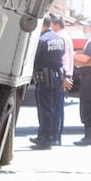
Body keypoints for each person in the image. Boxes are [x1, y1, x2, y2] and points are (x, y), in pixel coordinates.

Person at [30, 16, 65, 150]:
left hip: (45, 78)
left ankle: (45, 139)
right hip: (58, 77)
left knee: (45, 109)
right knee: (55, 109)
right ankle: (53, 137)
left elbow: (34, 58)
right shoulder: (59, 38)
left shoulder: (41, 40)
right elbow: (61, 55)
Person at [72, 19, 91, 146]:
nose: (84, 29)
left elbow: (89, 60)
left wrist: (71, 55)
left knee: (88, 106)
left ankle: (89, 138)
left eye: (86, 27)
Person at [50, 15, 74, 145]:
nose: (51, 28)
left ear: (57, 25)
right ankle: (57, 135)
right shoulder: (66, 36)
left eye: (52, 25)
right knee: (59, 106)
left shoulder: (60, 37)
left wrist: (64, 76)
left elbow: (63, 59)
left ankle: (55, 135)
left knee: (56, 107)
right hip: (66, 74)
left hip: (62, 75)